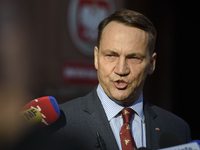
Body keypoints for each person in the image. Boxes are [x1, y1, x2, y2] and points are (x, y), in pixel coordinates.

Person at [50, 9, 191, 150]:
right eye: (111, 55)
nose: (121, 70)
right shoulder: (62, 124)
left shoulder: (177, 128)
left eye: (133, 58)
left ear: (151, 64)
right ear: (96, 58)